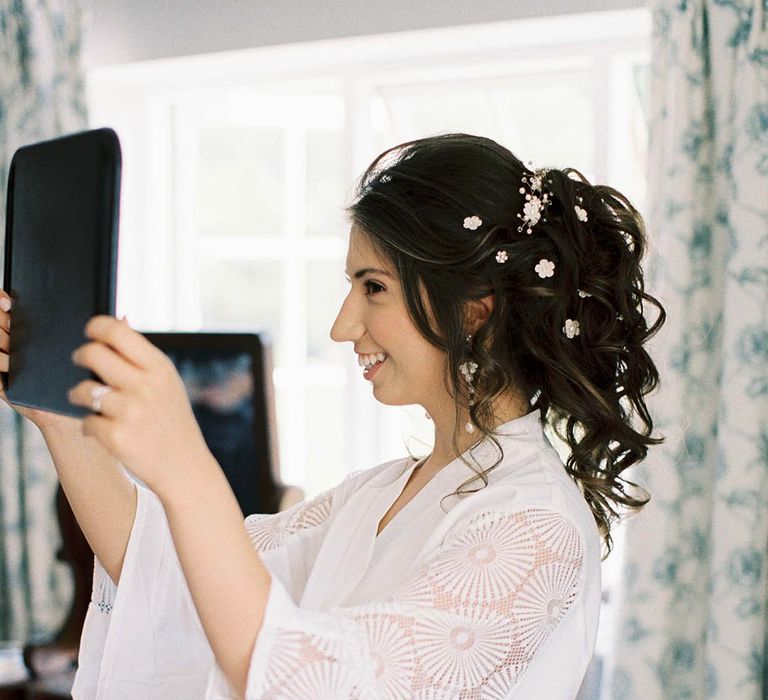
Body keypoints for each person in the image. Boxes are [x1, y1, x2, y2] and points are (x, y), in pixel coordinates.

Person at [0, 132, 665, 699]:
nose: (344, 326)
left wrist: (185, 465)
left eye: (373, 288)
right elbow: (168, 580)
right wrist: (58, 420)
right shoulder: (376, 495)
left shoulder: (536, 527)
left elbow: (307, 680)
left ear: (473, 309)